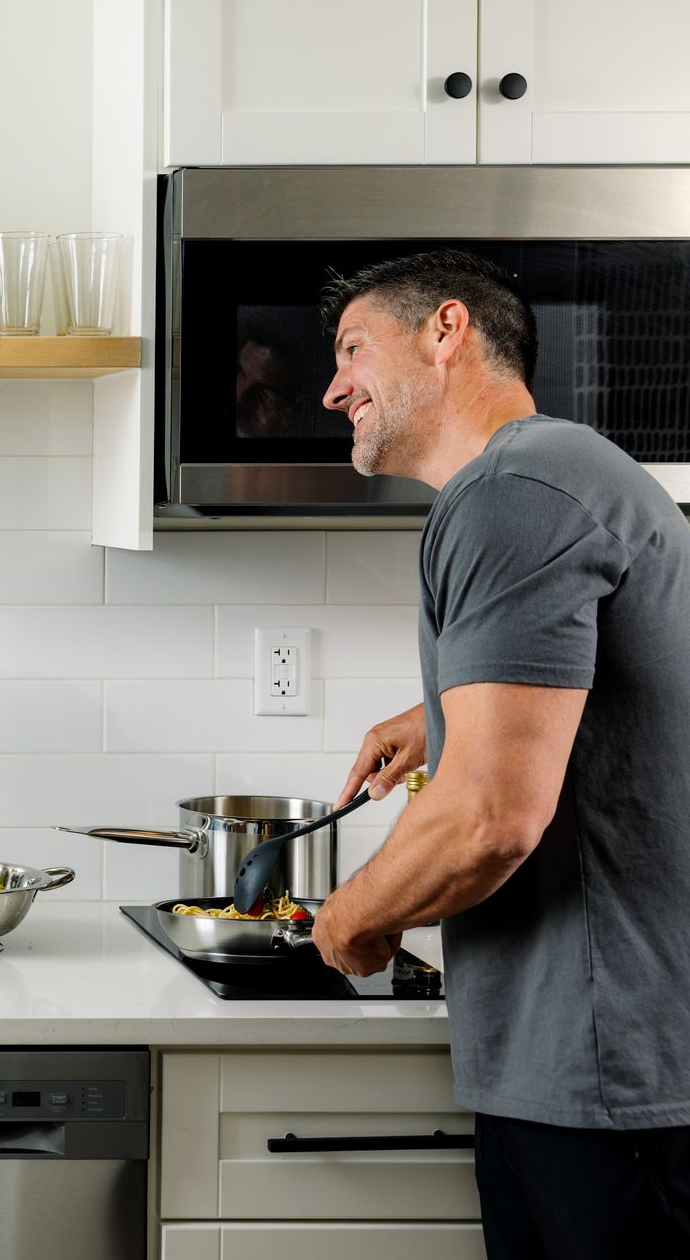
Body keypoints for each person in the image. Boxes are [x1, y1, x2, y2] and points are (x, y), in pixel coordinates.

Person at [309, 250, 690, 1257]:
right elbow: (619, 694)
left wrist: (350, 918)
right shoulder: (575, 469)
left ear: (446, 330)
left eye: (354, 349)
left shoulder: (508, 493)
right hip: (622, 1056)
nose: (331, 387)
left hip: (602, 1065)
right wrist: (444, 711)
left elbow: (486, 819)